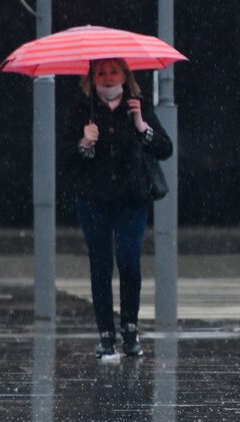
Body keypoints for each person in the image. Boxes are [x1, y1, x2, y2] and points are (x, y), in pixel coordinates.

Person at [64, 58, 173, 358]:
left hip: (132, 198)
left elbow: (165, 148)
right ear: (92, 77)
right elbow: (65, 157)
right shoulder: (81, 109)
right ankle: (105, 334)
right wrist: (84, 145)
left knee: (128, 259)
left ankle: (130, 329)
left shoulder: (139, 105)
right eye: (101, 72)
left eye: (114, 72)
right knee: (100, 264)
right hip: (94, 199)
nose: (108, 78)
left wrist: (142, 127)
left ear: (125, 75)